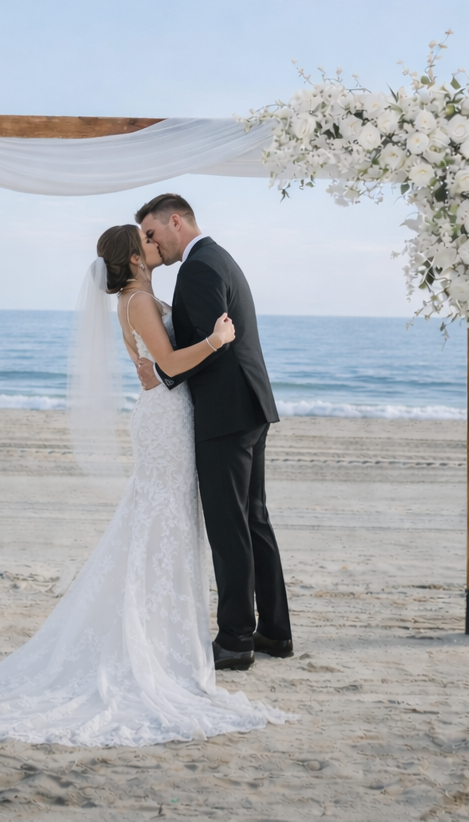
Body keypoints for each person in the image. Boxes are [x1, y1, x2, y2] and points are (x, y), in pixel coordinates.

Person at [0, 224, 289, 746]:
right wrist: (217, 340)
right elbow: (172, 364)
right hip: (167, 419)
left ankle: (162, 629)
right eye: (147, 241)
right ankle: (151, 635)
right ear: (134, 258)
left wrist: (152, 359)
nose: (157, 245)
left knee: (164, 518)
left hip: (168, 414)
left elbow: (155, 362)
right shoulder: (139, 301)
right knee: (160, 517)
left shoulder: (141, 298)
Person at [135, 194, 292, 672]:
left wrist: (163, 374)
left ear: (175, 221)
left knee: (230, 529)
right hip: (249, 405)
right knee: (253, 521)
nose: (148, 244)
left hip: (226, 412)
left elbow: (210, 347)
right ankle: (275, 633)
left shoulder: (200, 267)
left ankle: (236, 640)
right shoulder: (215, 256)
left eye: (150, 233)